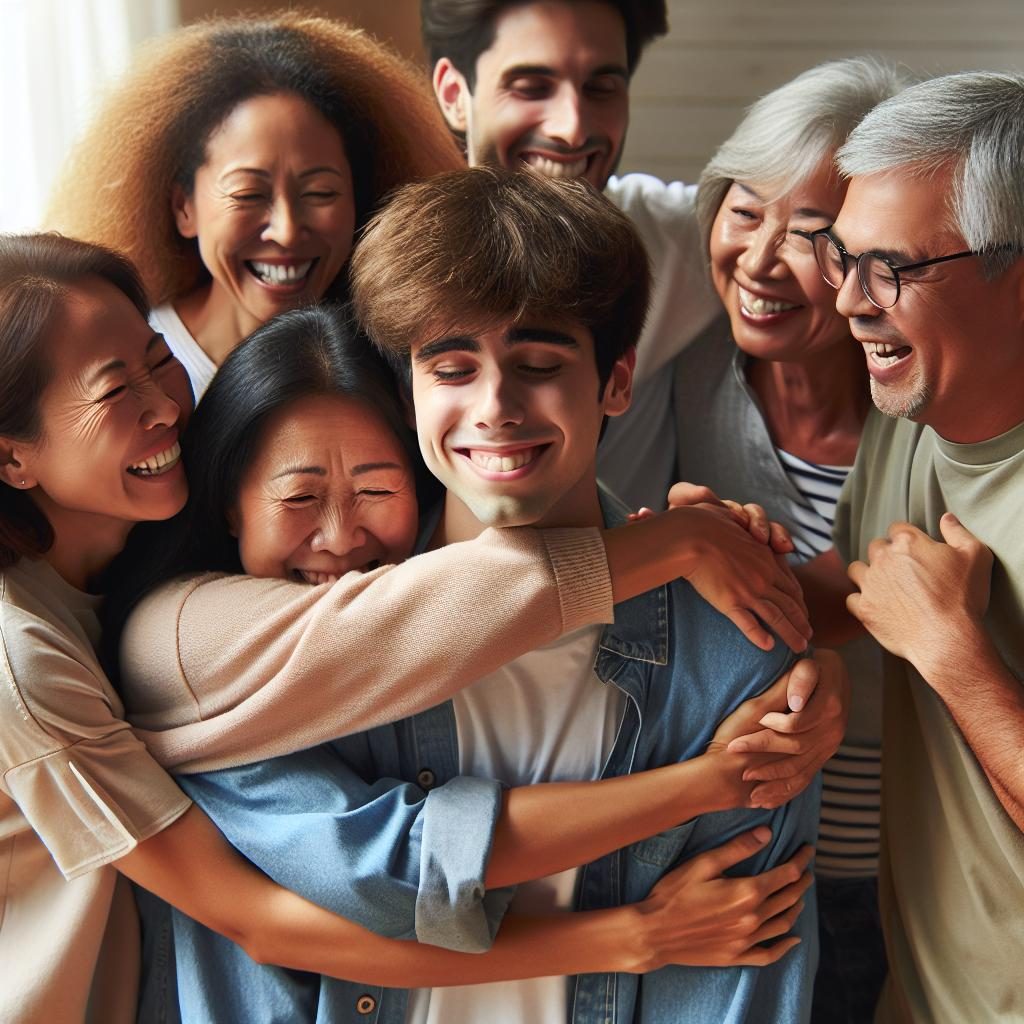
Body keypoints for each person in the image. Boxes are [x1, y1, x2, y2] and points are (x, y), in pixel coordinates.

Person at [0, 233, 816, 1022]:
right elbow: (306, 899)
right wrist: (657, 888)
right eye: (114, 389)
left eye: (156, 358)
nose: (165, 406)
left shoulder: (127, 552)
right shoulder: (125, 647)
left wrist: (793, 636)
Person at [349, 166, 824, 1023]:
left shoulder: (730, 648)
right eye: (450, 368)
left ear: (616, 382)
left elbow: (741, 986)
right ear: (409, 392)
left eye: (537, 364)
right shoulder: (333, 620)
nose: (493, 407)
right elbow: (305, 903)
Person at [671, 57, 904, 1023]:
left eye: (811, 233)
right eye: (744, 210)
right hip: (712, 867)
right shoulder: (671, 381)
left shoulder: (925, 415)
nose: (761, 259)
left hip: (890, 878)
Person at [795, 71, 1024, 1023]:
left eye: (892, 269)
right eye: (840, 257)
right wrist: (700, 553)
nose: (849, 301)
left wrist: (952, 654)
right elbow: (849, 594)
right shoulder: (911, 413)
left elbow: (911, 617)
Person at [46, 12, 464, 401]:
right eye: (248, 194)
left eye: (320, 193)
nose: (286, 230)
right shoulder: (127, 374)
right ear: (183, 207)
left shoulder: (395, 369)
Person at [420, 0, 722, 509]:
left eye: (601, 87)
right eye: (532, 87)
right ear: (455, 94)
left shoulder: (680, 240)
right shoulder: (394, 265)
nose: (572, 128)